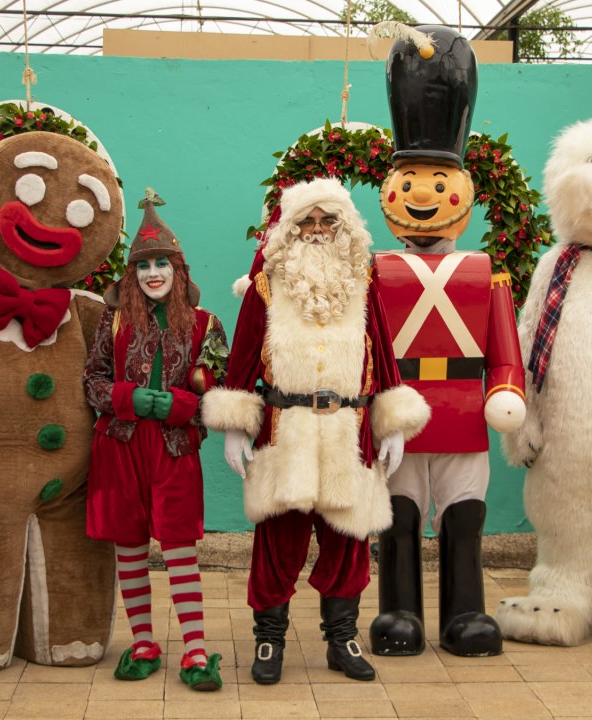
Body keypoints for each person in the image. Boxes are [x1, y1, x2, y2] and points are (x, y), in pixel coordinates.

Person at [202, 177, 430, 685]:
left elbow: (382, 348)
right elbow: (243, 348)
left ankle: (342, 638)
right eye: (308, 220)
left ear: (345, 226)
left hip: (349, 428)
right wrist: (236, 425)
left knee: (348, 542)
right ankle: (269, 639)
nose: (319, 229)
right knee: (277, 543)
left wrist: (391, 421)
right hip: (286, 428)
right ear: (290, 226)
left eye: (329, 220)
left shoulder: (363, 274)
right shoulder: (268, 275)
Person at [369, 25, 528, 659]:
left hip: (465, 412)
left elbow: (505, 348)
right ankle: (398, 612)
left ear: (462, 192)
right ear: (389, 191)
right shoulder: (371, 271)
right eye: (409, 182)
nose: (424, 196)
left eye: (439, 182)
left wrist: (507, 388)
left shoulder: (490, 272)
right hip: (400, 412)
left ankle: (467, 613)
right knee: (399, 519)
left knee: (465, 522)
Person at [84, 189, 229, 691]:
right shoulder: (114, 320)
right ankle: (142, 640)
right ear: (133, 275)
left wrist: (184, 407)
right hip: (121, 445)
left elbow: (221, 392)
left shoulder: (208, 325)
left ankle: (193, 648)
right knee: (129, 544)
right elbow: (92, 382)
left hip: (175, 449)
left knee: (179, 546)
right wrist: (128, 398)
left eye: (162, 264)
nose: (153, 274)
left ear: (177, 269)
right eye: (144, 266)